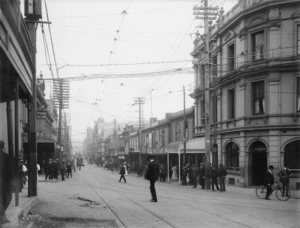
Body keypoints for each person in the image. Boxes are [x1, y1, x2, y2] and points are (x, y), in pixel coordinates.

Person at [0, 141, 12, 225]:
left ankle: (1, 216)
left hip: (4, 181)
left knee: (6, 198)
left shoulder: (6, 156)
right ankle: (2, 217)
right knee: (7, 197)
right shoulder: (6, 156)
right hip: (4, 182)